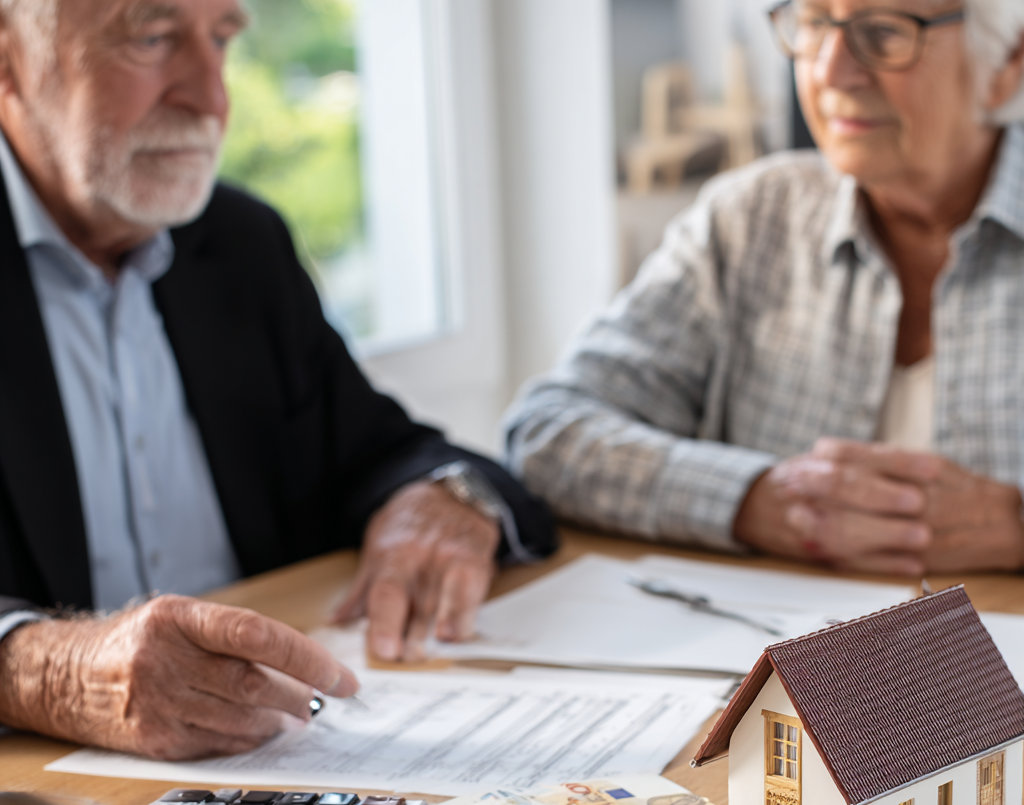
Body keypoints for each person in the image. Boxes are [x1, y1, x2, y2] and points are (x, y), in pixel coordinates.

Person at [0, 0, 556, 759]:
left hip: (287, 761)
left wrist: (443, 499)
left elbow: (382, 451)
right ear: (10, 59)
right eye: (152, 37)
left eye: (222, 38)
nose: (211, 97)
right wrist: (53, 671)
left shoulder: (239, 244)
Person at [506, 0, 1024, 578]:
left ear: (1009, 58)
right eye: (813, 23)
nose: (829, 71)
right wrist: (756, 499)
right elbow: (546, 431)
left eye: (883, 33)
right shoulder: (747, 222)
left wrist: (1018, 525)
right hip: (777, 662)